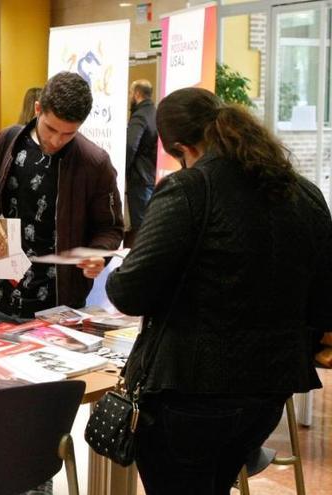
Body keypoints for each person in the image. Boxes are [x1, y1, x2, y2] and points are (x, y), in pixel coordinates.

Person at [106, 87, 332, 495]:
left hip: (190, 393)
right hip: (269, 393)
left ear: (179, 147)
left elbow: (129, 292)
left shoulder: (191, 190)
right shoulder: (305, 194)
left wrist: (122, 268)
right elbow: (324, 305)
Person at [0, 72, 123, 495]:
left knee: (41, 426)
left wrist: (98, 255)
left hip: (55, 316)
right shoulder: (8, 143)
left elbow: (111, 228)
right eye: (52, 129)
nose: (57, 140)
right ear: (38, 110)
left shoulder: (93, 162)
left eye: (68, 133)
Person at [124, 79, 157, 246]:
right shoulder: (155, 113)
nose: (129, 96)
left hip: (139, 178)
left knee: (140, 228)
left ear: (137, 93)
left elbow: (130, 145)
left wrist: (123, 170)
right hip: (151, 175)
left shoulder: (140, 115)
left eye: (130, 93)